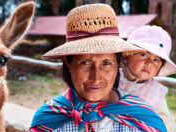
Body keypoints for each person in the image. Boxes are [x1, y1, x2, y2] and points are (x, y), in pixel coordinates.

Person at [30, 4, 167, 132]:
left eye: (107, 63)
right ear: (68, 62)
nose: (96, 78)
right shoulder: (48, 120)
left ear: (118, 63)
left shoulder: (144, 119)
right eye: (85, 63)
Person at [118, 25, 176, 116]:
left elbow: (159, 121)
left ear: (160, 68)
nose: (149, 63)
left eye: (156, 60)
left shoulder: (156, 93)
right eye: (144, 55)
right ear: (126, 56)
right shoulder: (111, 79)